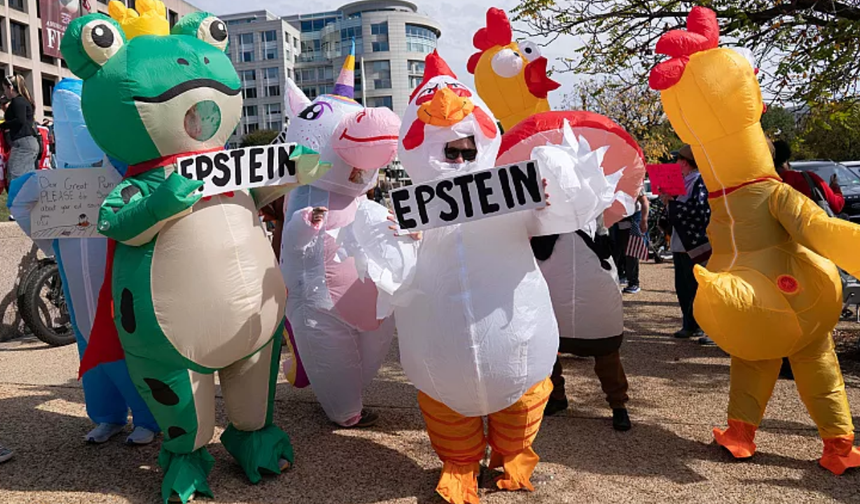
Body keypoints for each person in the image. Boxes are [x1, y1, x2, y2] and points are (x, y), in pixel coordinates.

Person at [660, 145, 713, 345]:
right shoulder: (681, 180)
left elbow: (700, 211)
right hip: (679, 241)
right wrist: (667, 200)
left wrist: (673, 202)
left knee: (696, 285)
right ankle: (689, 323)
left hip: (695, 242)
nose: (675, 164)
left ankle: (702, 325)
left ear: (684, 162)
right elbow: (673, 209)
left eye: (678, 160)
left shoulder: (701, 181)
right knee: (682, 285)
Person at [0, 75, 39, 185]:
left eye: (5, 89)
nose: (5, 92)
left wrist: (3, 125)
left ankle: (17, 200)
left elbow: (20, 120)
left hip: (23, 142)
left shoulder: (18, 101)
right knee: (26, 177)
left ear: (10, 88)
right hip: (27, 142)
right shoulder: (22, 101)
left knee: (15, 176)